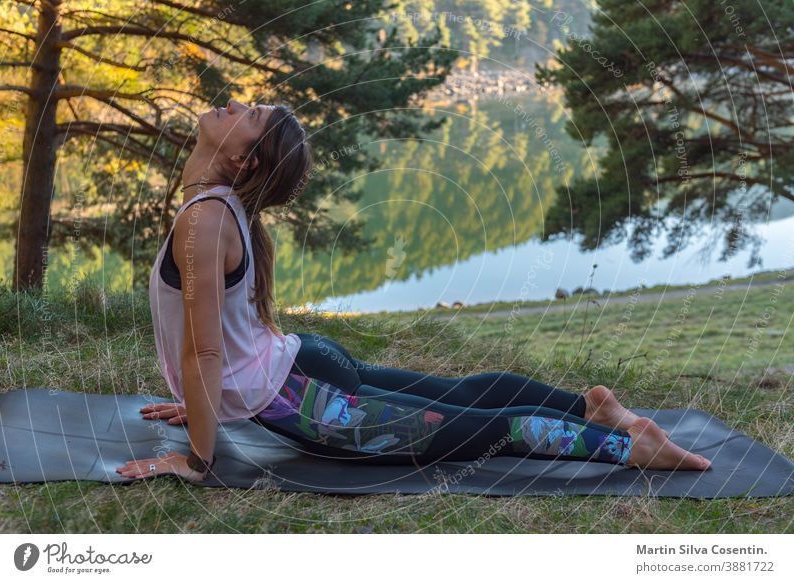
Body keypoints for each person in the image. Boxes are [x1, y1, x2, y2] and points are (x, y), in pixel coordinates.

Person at [117, 99, 711, 483]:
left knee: (488, 428)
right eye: (252, 107)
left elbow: (205, 351)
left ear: (244, 161)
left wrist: (195, 458)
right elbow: (216, 344)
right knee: (461, 396)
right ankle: (591, 407)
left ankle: (626, 446)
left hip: (306, 397)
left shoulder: (206, 217)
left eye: (251, 113)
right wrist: (207, 405)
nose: (236, 103)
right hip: (307, 367)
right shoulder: (216, 211)